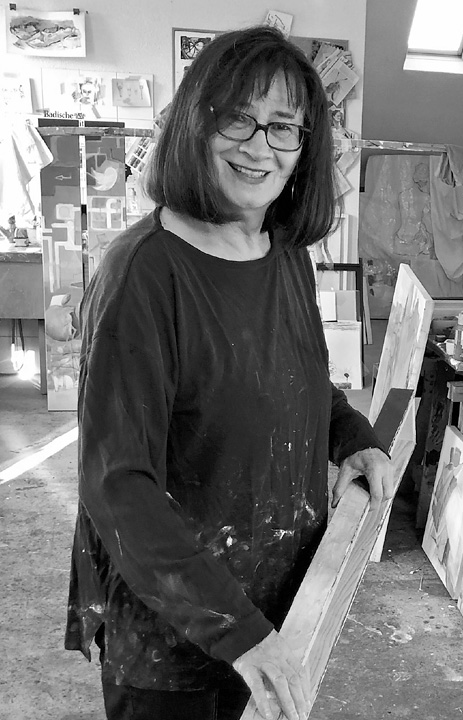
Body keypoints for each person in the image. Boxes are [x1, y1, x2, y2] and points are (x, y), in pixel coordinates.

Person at [65, 25, 393, 720]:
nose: (258, 146)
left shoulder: (284, 252)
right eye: (237, 117)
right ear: (196, 121)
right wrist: (238, 632)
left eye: (283, 127)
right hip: (177, 641)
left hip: (274, 610)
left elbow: (299, 378)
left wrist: (351, 435)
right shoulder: (143, 276)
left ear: (305, 147)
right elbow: (117, 486)